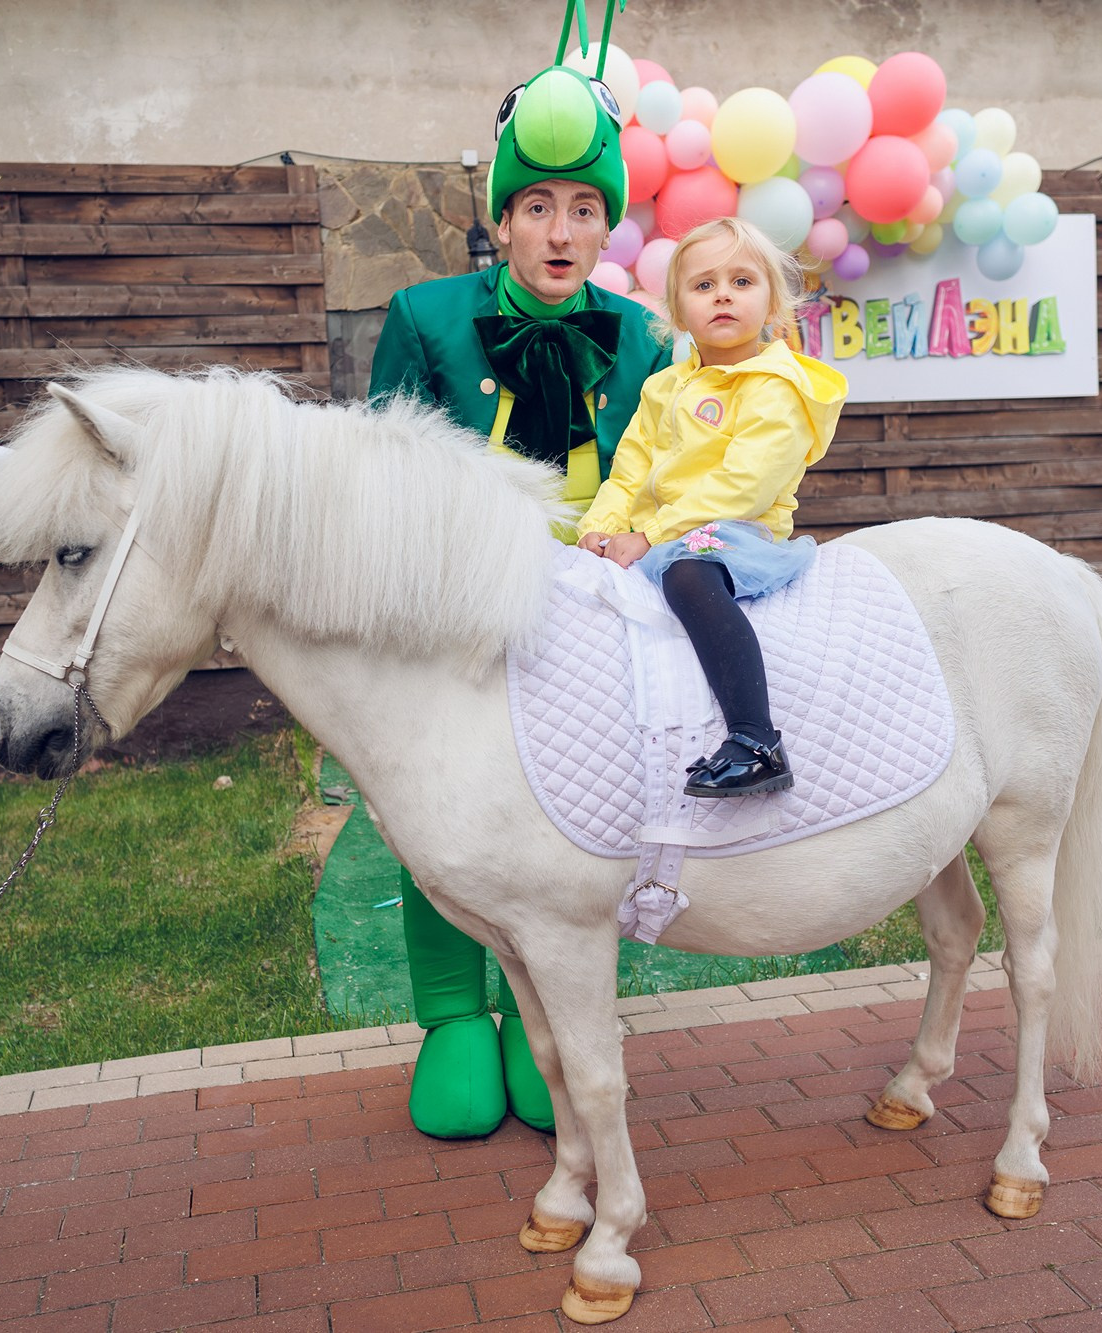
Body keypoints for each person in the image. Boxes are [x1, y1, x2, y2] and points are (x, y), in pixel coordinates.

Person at [367, 49, 670, 1139]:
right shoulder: (422, 316)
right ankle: (454, 1015)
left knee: (573, 829)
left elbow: (660, 482)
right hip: (451, 625)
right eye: (535, 204)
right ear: (501, 216)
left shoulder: (641, 338)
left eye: (582, 208)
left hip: (584, 630)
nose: (557, 231)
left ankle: (549, 1018)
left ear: (606, 226)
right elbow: (381, 476)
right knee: (439, 815)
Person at [576, 216, 847, 796]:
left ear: (772, 302)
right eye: (703, 286)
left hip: (736, 532)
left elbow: (742, 485)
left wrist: (650, 536)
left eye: (742, 281)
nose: (722, 294)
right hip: (664, 533)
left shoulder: (777, 387)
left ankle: (756, 740)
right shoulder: (663, 390)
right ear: (678, 312)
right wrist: (597, 529)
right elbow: (629, 470)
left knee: (690, 577)